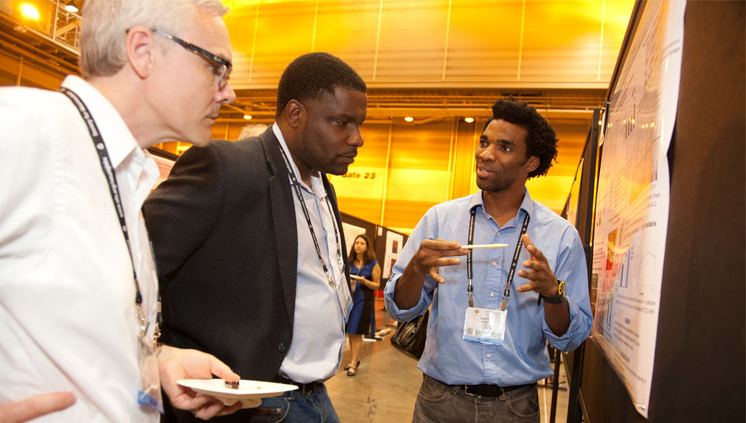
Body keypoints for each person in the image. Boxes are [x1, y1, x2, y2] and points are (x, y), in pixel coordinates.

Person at [0, 0, 243, 421]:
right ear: (143, 51)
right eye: (215, 66)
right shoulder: (26, 130)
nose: (229, 91)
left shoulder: (124, 174)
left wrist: (155, 360)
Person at [143, 52, 367, 422]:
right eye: (341, 122)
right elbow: (132, 265)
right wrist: (155, 355)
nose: (356, 138)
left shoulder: (323, 185)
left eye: (358, 124)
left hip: (316, 398)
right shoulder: (226, 168)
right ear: (296, 114)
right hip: (250, 404)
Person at [384, 97, 593, 422]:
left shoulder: (560, 236)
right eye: (484, 142)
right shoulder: (440, 220)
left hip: (515, 408)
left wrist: (553, 293)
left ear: (530, 163)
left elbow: (570, 338)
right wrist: (415, 268)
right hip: (438, 402)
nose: (485, 154)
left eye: (505, 147)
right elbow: (400, 307)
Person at [344, 234, 381, 376]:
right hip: (350, 300)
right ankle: (354, 359)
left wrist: (364, 282)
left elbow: (377, 285)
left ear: (367, 247)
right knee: (350, 332)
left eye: (362, 243)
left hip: (364, 300)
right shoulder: (350, 262)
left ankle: (353, 363)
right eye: (356, 243)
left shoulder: (373, 264)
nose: (358, 245)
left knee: (357, 331)